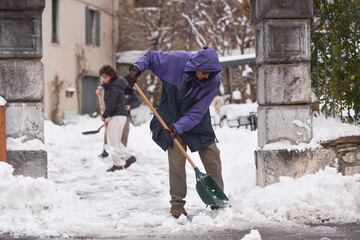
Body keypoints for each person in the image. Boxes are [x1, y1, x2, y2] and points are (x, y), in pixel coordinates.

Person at [124, 47, 224, 218]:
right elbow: (151, 57)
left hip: (196, 120)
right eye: (203, 72)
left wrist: (180, 126)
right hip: (170, 114)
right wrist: (136, 69)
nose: (206, 76)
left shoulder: (213, 80)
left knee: (211, 155)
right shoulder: (176, 61)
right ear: (195, 66)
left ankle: (217, 199)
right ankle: (177, 204)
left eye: (210, 73)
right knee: (177, 160)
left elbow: (197, 111)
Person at [99, 65, 136, 172]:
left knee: (113, 141)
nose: (103, 78)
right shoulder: (115, 85)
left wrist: (105, 114)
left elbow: (112, 103)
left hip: (117, 115)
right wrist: (101, 88)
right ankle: (128, 158)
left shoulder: (114, 87)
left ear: (111, 76)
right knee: (116, 141)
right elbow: (105, 88)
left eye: (105, 76)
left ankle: (119, 163)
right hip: (119, 115)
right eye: (102, 76)